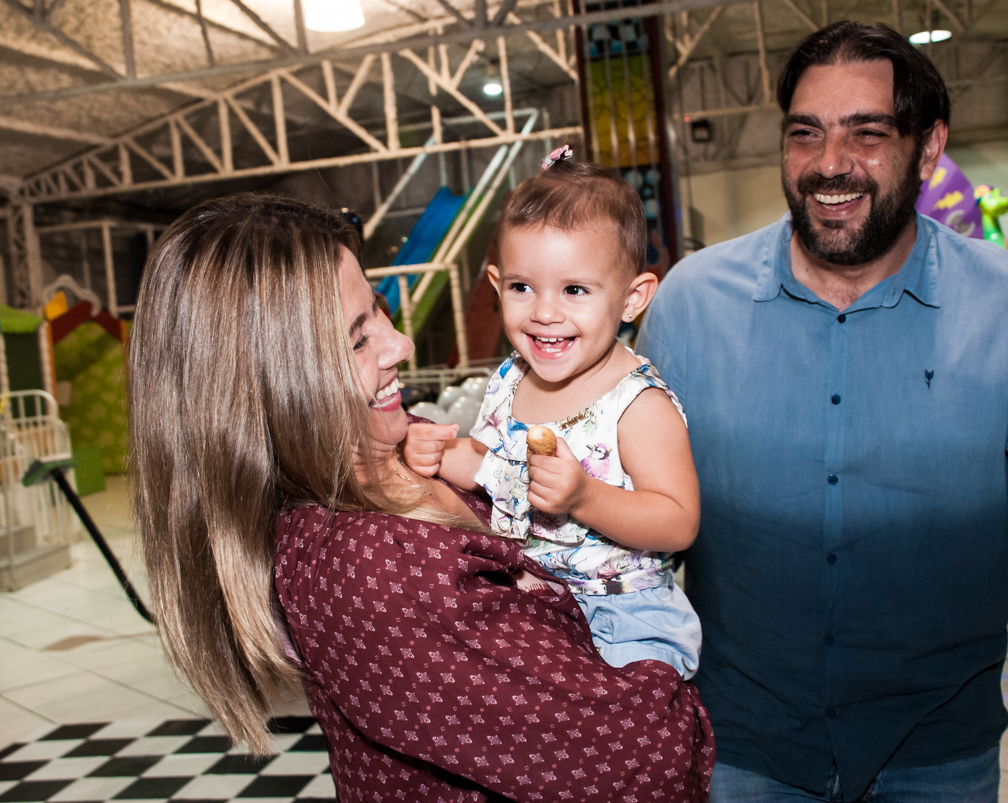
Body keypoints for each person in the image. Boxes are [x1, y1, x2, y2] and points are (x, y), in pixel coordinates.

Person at [639, 21, 1008, 803]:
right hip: (739, 750)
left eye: (866, 133)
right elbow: (633, 530)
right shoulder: (689, 305)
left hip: (937, 756)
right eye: (805, 133)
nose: (830, 164)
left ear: (929, 145)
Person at [126, 193, 715, 802]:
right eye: (357, 341)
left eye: (378, 311)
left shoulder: (404, 451)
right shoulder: (370, 563)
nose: (402, 345)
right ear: (269, 383)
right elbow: (648, 755)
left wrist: (470, 464)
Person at [404, 153, 703, 680]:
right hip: (532, 596)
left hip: (624, 615)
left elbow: (677, 522)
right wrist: (440, 451)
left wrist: (585, 497)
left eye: (574, 290)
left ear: (632, 298)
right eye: (522, 287)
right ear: (496, 285)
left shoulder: (636, 405)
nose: (545, 312)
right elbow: (492, 467)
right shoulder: (510, 380)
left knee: (619, 745)